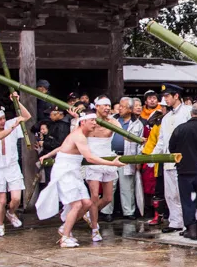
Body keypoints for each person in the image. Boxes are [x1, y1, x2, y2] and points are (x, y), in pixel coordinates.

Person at [37, 111, 123, 248]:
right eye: (92, 121)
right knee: (77, 205)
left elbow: (62, 147)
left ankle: (65, 228)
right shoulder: (79, 136)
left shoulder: (81, 135)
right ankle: (65, 238)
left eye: (95, 120)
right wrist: (112, 163)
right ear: (83, 122)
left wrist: (48, 154)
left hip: (74, 172)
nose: (95, 123)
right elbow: (89, 158)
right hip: (65, 172)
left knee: (87, 203)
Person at [0, 96, 32, 237]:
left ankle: (11, 213)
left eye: (4, 118)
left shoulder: (10, 124)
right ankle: (0, 225)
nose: (3, 121)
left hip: (12, 166)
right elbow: (0, 137)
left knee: (16, 198)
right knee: (2, 200)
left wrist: (17, 101)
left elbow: (26, 116)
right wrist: (13, 126)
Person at [169, 103, 197, 240]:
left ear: (191, 113)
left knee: (187, 200)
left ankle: (191, 228)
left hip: (184, 169)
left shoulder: (180, 128)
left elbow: (172, 148)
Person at [155, 84, 190, 233]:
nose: (165, 99)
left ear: (176, 96)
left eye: (167, 96)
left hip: (184, 159)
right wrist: (153, 157)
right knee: (170, 193)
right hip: (168, 160)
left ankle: (188, 222)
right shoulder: (166, 117)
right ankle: (175, 221)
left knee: (184, 192)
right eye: (164, 96)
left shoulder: (188, 112)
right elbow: (161, 140)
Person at [84, 97, 117, 236]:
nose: (107, 108)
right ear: (97, 106)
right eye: (104, 105)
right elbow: (77, 134)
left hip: (107, 158)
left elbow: (125, 136)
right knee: (94, 195)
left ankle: (89, 213)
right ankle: (94, 228)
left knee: (108, 198)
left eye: (109, 106)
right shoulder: (89, 121)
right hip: (92, 159)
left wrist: (138, 140)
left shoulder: (113, 121)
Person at [112, 96, 144, 220]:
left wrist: (138, 160)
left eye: (123, 107)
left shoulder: (137, 124)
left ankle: (129, 211)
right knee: (110, 185)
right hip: (111, 155)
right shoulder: (112, 120)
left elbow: (140, 145)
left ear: (130, 109)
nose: (120, 108)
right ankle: (107, 211)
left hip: (128, 156)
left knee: (127, 186)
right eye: (119, 106)